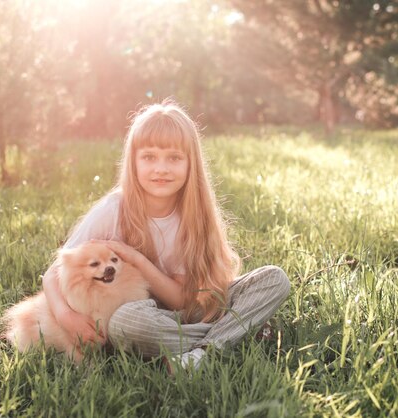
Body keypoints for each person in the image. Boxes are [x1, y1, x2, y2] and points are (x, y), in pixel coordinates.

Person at [42, 100, 291, 371]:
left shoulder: (195, 214)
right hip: (141, 317)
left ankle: (203, 352)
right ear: (133, 162)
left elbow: (182, 301)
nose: (161, 168)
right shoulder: (113, 209)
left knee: (274, 278)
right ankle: (233, 333)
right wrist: (65, 315)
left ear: (190, 163)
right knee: (126, 323)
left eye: (174, 158)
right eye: (149, 157)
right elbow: (53, 273)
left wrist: (136, 259)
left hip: (191, 307)